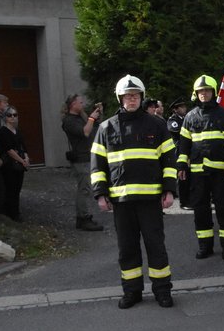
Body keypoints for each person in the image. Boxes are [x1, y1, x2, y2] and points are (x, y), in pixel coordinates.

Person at [91, 75, 177, 309]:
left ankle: (162, 291)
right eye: (128, 96)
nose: (132, 99)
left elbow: (170, 161)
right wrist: (100, 194)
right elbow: (97, 164)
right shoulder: (106, 127)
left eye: (136, 95)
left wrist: (169, 191)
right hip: (122, 201)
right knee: (127, 248)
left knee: (155, 246)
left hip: (150, 200)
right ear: (120, 98)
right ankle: (132, 291)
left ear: (141, 97)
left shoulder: (157, 125)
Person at [176, 75, 224, 260]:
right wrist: (181, 165)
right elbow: (184, 145)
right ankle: (205, 246)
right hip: (198, 173)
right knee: (200, 211)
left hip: (221, 173)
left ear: (213, 92)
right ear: (195, 94)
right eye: (200, 91)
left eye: (206, 91)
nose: (203, 94)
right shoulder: (189, 117)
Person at [61, 94, 104, 231]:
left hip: (88, 157)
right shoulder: (69, 121)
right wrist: (91, 118)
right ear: (73, 104)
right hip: (80, 159)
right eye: (80, 102)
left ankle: (84, 217)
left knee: (87, 189)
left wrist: (97, 116)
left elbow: (93, 129)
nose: (83, 104)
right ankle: (83, 218)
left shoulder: (81, 117)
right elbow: (85, 132)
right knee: (84, 189)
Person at [0, 107, 30, 221]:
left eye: (15, 115)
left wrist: (26, 157)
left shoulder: (18, 131)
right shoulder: (3, 131)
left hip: (19, 164)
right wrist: (22, 160)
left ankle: (15, 211)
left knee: (17, 188)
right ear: (5, 118)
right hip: (9, 165)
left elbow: (23, 146)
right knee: (10, 188)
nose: (12, 118)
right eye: (10, 115)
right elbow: (9, 150)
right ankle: (11, 212)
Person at [166, 98, 190, 209]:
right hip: (179, 151)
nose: (184, 109)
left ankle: (190, 199)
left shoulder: (185, 119)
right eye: (181, 107)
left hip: (187, 151)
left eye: (184, 106)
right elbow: (178, 132)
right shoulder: (173, 120)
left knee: (188, 177)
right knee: (182, 176)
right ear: (175, 109)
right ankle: (183, 202)